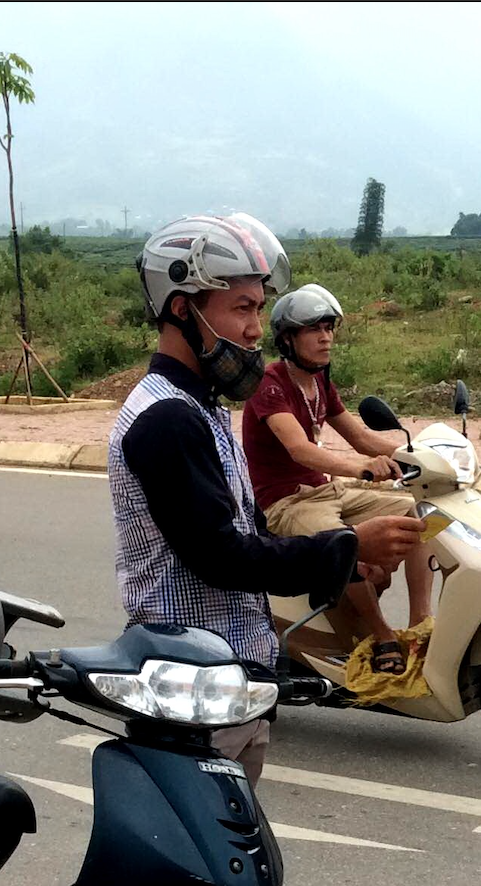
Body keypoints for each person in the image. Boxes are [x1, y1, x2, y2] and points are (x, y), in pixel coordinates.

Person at [108, 214, 422, 783]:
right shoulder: (167, 420)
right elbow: (222, 557)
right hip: (192, 685)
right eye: (242, 308)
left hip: (230, 680)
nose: (256, 329)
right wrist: (346, 546)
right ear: (183, 308)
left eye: (258, 308)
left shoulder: (202, 406)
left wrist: (346, 554)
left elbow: (252, 534)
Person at [241, 283, 434, 674]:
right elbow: (300, 449)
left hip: (327, 491)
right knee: (341, 543)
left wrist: (417, 456)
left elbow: (361, 437)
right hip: (286, 503)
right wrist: (360, 468)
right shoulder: (269, 384)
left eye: (329, 328)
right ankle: (382, 635)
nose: (326, 337)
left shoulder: (320, 384)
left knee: (419, 514)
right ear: (288, 338)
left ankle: (418, 624)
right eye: (314, 329)